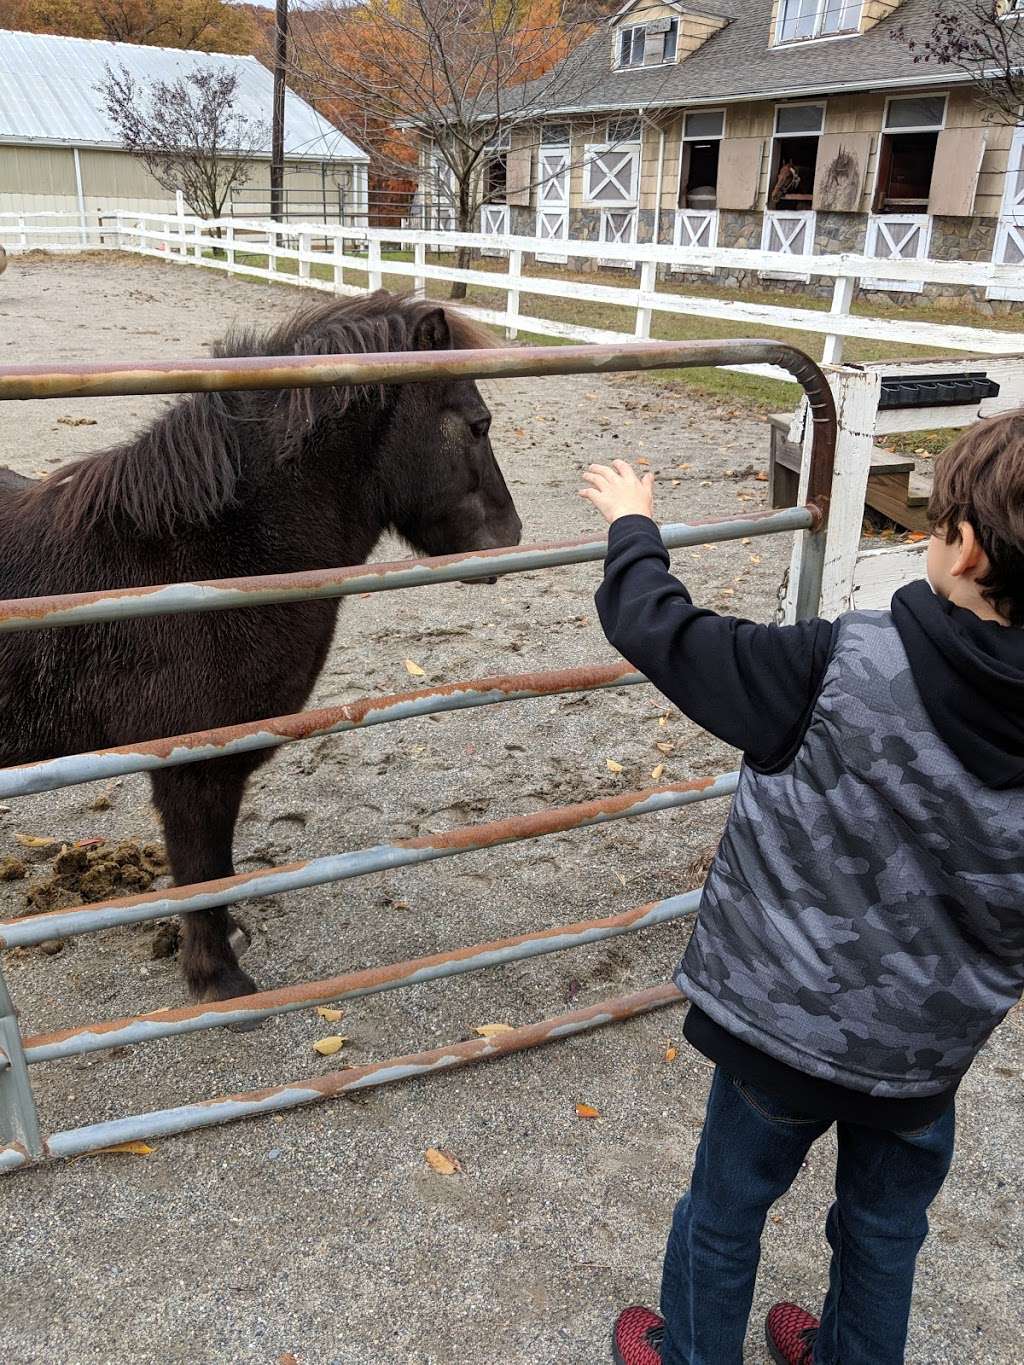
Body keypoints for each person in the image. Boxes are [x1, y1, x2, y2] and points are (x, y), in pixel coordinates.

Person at [578, 413, 1024, 1365]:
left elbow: (659, 629)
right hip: (923, 1060)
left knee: (727, 1208)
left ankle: (696, 1354)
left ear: (967, 548)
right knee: (884, 1229)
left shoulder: (837, 669)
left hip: (780, 1034)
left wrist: (633, 526)